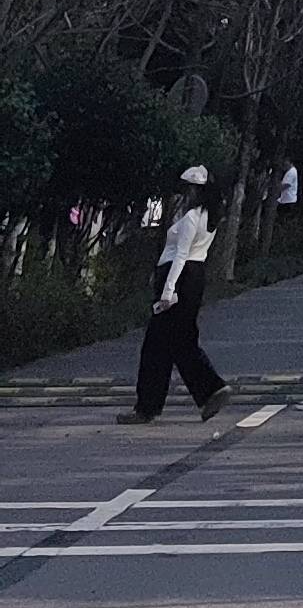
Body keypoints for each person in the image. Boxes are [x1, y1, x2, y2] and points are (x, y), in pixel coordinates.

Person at [121, 166, 229, 424]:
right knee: (180, 341)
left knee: (156, 345)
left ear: (193, 190)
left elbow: (180, 255)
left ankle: (151, 405)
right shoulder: (209, 216)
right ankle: (207, 392)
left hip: (178, 279)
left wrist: (168, 291)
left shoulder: (192, 217)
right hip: (195, 278)